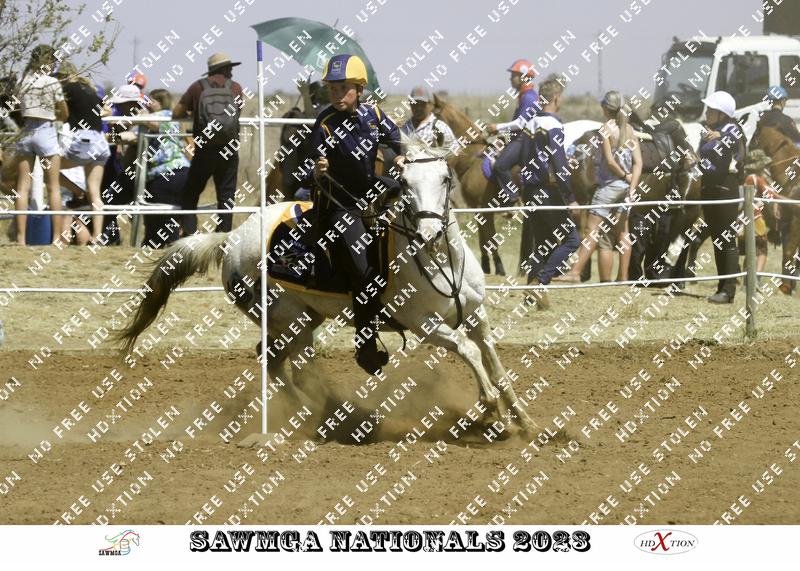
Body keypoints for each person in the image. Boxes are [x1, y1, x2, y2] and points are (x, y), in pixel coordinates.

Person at [307, 53, 405, 375]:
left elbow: (396, 141)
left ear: (360, 89)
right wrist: (318, 170)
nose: (337, 94)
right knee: (364, 272)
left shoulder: (373, 114)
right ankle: (366, 345)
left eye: (343, 88)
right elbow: (308, 170)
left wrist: (400, 156)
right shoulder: (324, 123)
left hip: (370, 193)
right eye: (332, 89)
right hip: (340, 204)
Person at [555, 91, 642, 283]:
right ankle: (623, 278)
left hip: (609, 187)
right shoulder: (630, 130)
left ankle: (575, 272)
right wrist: (632, 185)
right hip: (626, 189)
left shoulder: (605, 129)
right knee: (623, 232)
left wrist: (623, 176)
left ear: (605, 108)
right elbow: (638, 163)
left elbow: (610, 162)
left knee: (591, 231)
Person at [518, 78, 580, 308]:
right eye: (561, 97)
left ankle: (532, 299)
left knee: (542, 244)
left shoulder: (530, 123)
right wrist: (570, 197)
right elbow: (559, 162)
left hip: (529, 191)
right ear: (555, 98)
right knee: (572, 240)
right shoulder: (553, 124)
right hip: (547, 191)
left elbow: (523, 158)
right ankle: (539, 282)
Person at [173, 52, 243, 234]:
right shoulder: (235, 88)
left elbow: (176, 113)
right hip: (229, 149)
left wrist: (192, 113)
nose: (232, 72)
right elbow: (237, 114)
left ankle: (189, 235)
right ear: (225, 69)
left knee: (190, 193)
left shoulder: (197, 87)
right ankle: (222, 238)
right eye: (230, 68)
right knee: (226, 196)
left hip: (205, 150)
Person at [13, 44, 68, 245]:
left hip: (27, 131)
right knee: (53, 187)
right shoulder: (52, 82)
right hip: (46, 131)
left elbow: (17, 108)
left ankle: (20, 238)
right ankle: (56, 238)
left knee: (22, 187)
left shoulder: (22, 81)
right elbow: (64, 112)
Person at [698, 90, 746, 304]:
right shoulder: (710, 130)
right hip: (710, 189)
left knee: (727, 239)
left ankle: (728, 291)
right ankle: (722, 287)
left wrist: (719, 136)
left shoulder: (731, 128)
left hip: (726, 189)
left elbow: (734, 139)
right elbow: (705, 158)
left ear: (722, 114)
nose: (706, 113)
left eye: (711, 110)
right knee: (718, 239)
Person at [56, 61, 110, 243]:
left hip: (84, 141)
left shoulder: (66, 89)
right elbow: (108, 110)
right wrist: (91, 114)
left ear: (63, 76)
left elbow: (59, 110)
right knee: (95, 192)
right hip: (100, 142)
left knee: (49, 168)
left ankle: (76, 191)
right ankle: (97, 235)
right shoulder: (90, 89)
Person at [142, 89, 192, 248]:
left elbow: (156, 124)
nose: (147, 104)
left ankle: (173, 253)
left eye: (151, 101)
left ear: (161, 103)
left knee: (165, 221)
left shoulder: (166, 115)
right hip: (175, 174)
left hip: (168, 174)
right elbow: (131, 136)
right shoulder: (150, 120)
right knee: (160, 221)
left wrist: (140, 117)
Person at [487, 59, 540, 205]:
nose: (510, 79)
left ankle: (512, 196)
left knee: (500, 166)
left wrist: (497, 127)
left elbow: (520, 124)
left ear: (523, 77)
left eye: (514, 75)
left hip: (523, 140)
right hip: (520, 138)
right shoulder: (525, 95)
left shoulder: (529, 97)